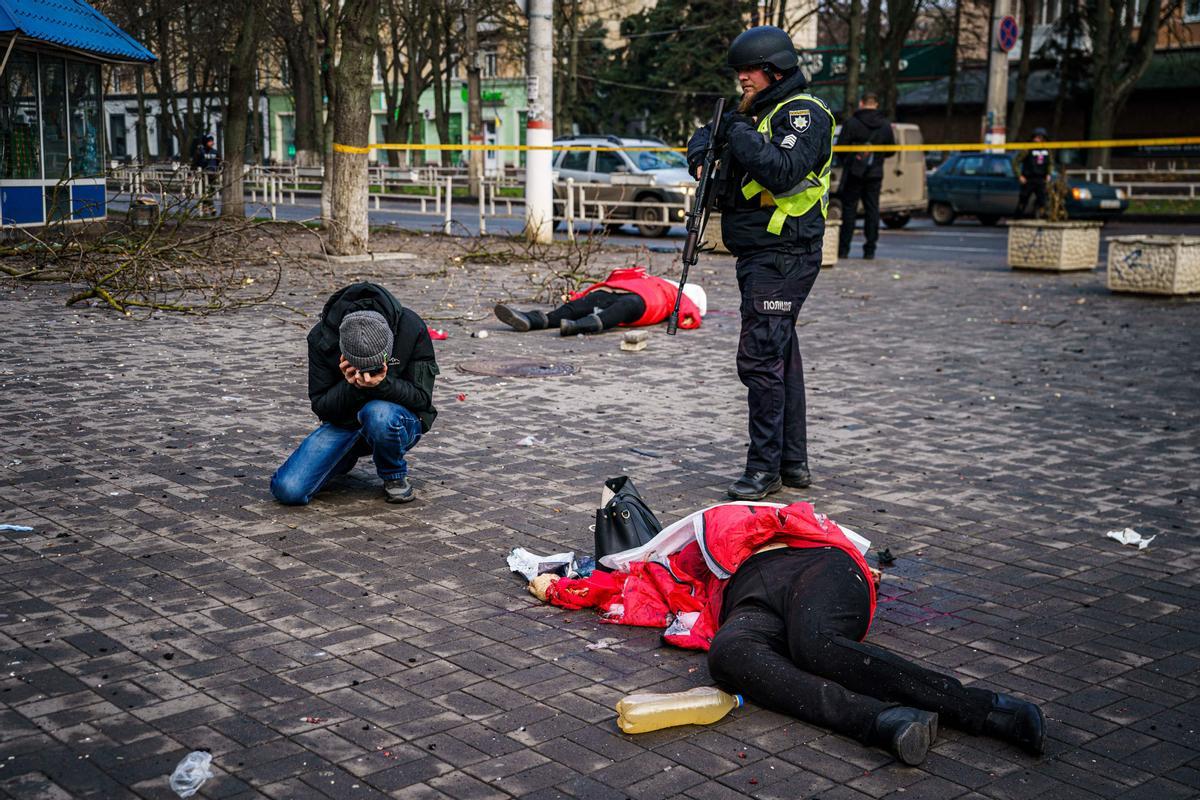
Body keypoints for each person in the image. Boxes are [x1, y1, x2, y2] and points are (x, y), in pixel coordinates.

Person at [536, 501, 1046, 767]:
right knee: (729, 654)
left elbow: (769, 520)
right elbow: (616, 586)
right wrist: (560, 586)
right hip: (752, 602)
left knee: (814, 643)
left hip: (816, 567)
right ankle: (886, 722)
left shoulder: (718, 523)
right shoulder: (667, 571)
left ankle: (984, 710)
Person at [686, 26, 835, 501]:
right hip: (761, 253)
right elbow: (708, 134)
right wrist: (700, 149)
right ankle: (791, 463)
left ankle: (763, 469)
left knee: (759, 358)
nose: (741, 80)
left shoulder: (804, 116)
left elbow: (781, 170)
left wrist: (735, 131)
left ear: (774, 70)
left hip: (786, 252)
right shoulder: (759, 113)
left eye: (748, 71)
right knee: (780, 354)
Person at [271, 282, 439, 506]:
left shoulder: (411, 327)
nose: (368, 372)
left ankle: (394, 475)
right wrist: (352, 386)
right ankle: (344, 456)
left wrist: (382, 384)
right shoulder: (322, 338)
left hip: (396, 421)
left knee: (378, 412)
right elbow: (321, 406)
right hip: (344, 422)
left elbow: (422, 400)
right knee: (288, 491)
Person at [493, 266, 706, 335]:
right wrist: (579, 296)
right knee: (591, 300)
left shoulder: (674, 292)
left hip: (644, 304)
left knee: (624, 306)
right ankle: (536, 320)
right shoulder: (653, 279)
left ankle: (577, 326)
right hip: (624, 294)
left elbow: (688, 310)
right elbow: (619, 277)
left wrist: (689, 318)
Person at [836, 92, 895, 259]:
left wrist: (853, 159)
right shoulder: (885, 125)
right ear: (876, 104)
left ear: (861, 103)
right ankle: (870, 250)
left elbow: (841, 148)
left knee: (849, 211)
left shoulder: (851, 123)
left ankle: (843, 250)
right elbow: (891, 150)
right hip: (875, 173)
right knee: (872, 210)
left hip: (854, 172)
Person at [1018, 128, 1052, 217]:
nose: (1038, 140)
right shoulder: (1028, 149)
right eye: (1037, 137)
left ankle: (1042, 215)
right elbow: (1015, 162)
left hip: (1041, 178)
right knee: (1023, 198)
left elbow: (1050, 163)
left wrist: (1049, 173)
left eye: (1041, 138)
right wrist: (1019, 176)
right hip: (1029, 178)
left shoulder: (1047, 150)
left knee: (1043, 199)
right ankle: (1018, 216)